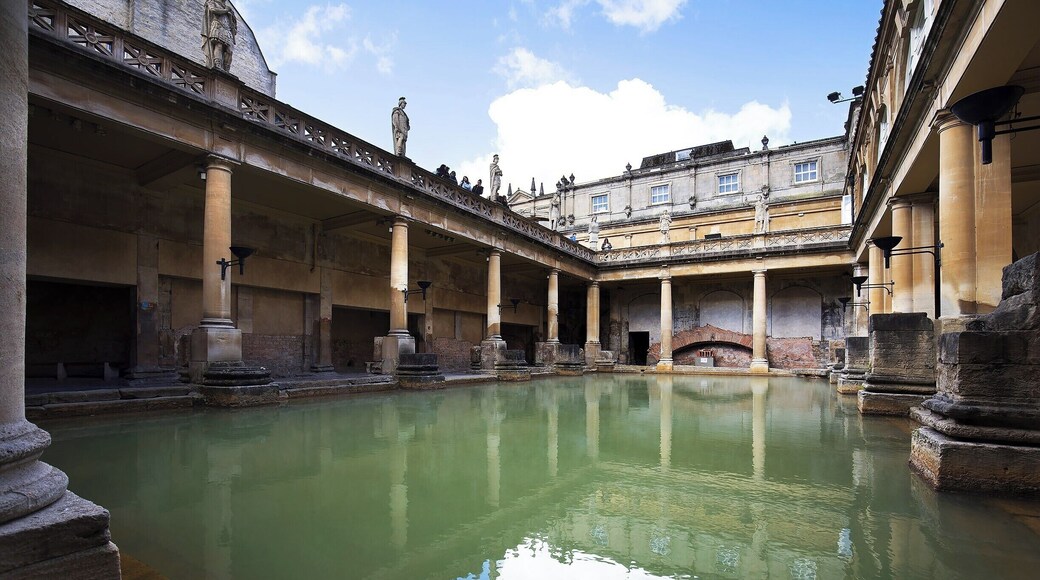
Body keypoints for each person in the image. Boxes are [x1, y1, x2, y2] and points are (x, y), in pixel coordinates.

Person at [202, 0, 237, 72]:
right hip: (218, 25)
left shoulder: (229, 8)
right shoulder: (212, 2)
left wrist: (230, 16)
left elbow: (234, 25)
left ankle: (226, 70)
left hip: (227, 30)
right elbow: (213, 10)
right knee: (219, 45)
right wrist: (225, 10)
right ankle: (218, 66)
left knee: (229, 51)